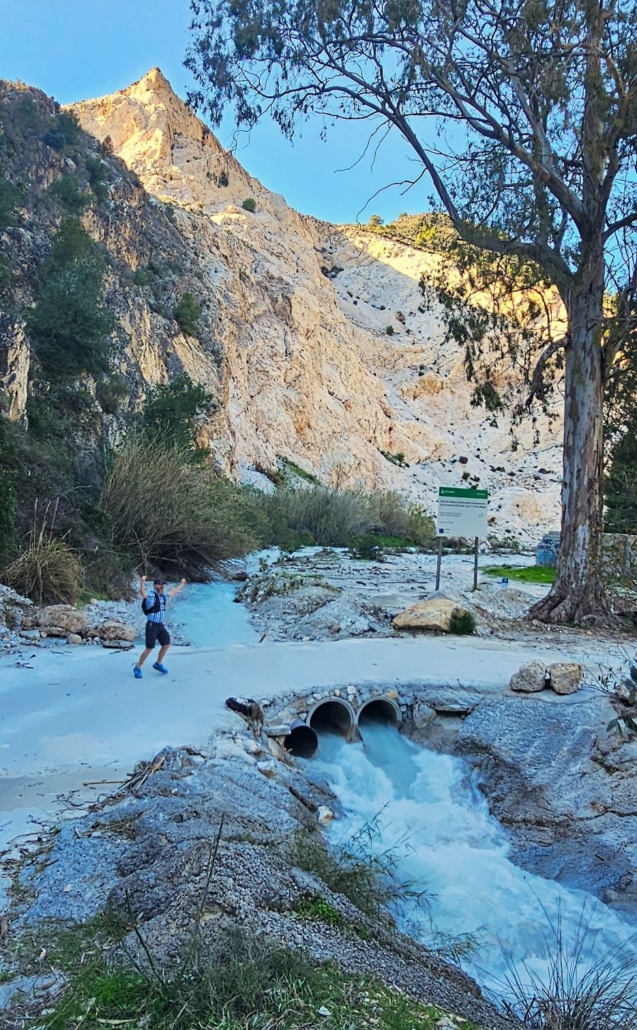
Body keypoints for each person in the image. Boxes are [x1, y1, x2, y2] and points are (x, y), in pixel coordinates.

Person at [133, 575, 186, 679]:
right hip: (151, 626)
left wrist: (182, 584)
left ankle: (158, 663)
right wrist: (142, 582)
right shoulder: (152, 595)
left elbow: (173, 592)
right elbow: (143, 594)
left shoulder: (163, 596)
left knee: (166, 644)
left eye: (162, 585)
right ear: (155, 586)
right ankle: (138, 667)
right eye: (160, 585)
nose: (162, 586)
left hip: (160, 625)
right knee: (149, 648)